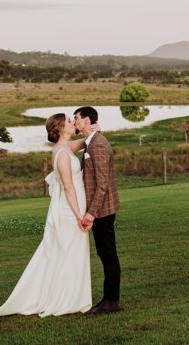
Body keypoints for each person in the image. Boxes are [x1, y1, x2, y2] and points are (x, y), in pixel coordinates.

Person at [0, 113, 92, 320]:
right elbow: (69, 188)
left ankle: (72, 295)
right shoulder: (62, 154)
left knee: (71, 252)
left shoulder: (65, 148)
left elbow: (82, 143)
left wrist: (91, 132)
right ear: (61, 128)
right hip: (70, 209)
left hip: (73, 206)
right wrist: (79, 214)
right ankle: (65, 299)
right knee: (67, 252)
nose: (73, 124)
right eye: (70, 122)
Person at [74, 105, 122, 315]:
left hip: (102, 210)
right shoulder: (92, 140)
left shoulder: (98, 145)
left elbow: (102, 184)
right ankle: (107, 298)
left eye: (76, 118)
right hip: (100, 209)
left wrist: (91, 213)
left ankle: (111, 301)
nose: (74, 121)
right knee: (105, 253)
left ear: (86, 120)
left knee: (108, 253)